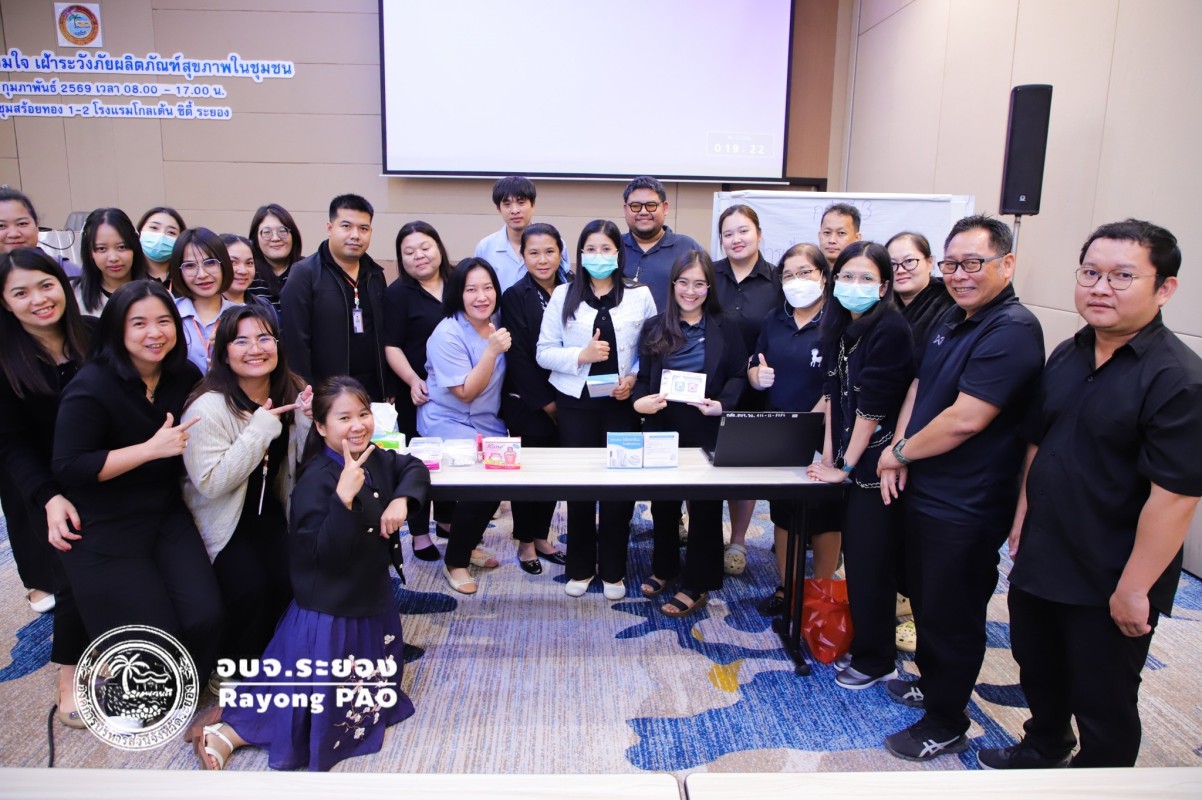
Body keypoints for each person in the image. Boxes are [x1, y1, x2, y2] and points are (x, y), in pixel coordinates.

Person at [979, 220, 1202, 770]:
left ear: (1165, 288)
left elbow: (1175, 497)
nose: (1101, 288)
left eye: (1123, 276)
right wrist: (1023, 514)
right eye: (1091, 273)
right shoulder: (1070, 351)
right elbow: (1040, 439)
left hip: (1112, 568)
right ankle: (1045, 743)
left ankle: (1102, 781)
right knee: (1038, 663)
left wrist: (1135, 588)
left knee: (1103, 695)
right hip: (1046, 549)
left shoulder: (1178, 378)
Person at [188, 376, 428, 771]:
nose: (358, 425)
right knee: (302, 701)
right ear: (320, 426)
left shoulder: (373, 457)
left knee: (357, 696)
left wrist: (401, 499)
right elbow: (323, 557)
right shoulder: (316, 481)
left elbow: (412, 466)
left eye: (363, 414)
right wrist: (343, 499)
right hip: (332, 610)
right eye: (344, 418)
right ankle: (228, 732)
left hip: (370, 596)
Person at [876, 215, 1044, 761]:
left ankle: (947, 721)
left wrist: (900, 453)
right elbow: (921, 387)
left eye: (973, 263)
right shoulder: (954, 315)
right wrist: (900, 448)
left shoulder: (1012, 329)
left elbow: (967, 419)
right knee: (925, 599)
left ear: (1007, 264)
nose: (959, 274)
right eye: (951, 264)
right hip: (927, 486)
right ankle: (934, 686)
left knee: (954, 613)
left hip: (968, 502)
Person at [52, 280, 222, 683]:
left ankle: (186, 681)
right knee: (155, 638)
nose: (154, 333)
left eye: (164, 321)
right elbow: (69, 466)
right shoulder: (92, 386)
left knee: (207, 616)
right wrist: (148, 450)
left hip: (164, 512)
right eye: (139, 323)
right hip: (105, 522)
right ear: (117, 329)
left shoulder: (182, 374)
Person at [805, 241, 914, 689]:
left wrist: (846, 467)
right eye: (847, 276)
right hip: (850, 457)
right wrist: (828, 456)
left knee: (871, 564)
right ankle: (868, 642)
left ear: (884, 286)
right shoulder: (842, 327)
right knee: (858, 558)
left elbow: (872, 407)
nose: (855, 285)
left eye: (867, 278)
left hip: (876, 466)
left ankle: (877, 659)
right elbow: (833, 397)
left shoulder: (890, 328)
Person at [181, 305, 312, 669]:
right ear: (223, 353)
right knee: (248, 587)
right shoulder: (206, 407)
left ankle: (275, 659)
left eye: (264, 338)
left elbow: (304, 464)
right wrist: (259, 430)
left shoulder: (293, 388)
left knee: (291, 578)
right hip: (223, 519)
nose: (255, 349)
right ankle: (234, 667)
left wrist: (307, 421)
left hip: (272, 511)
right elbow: (211, 484)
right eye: (241, 341)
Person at [538, 220, 657, 600]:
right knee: (580, 487)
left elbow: (650, 349)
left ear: (619, 254)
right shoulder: (563, 295)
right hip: (577, 404)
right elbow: (543, 352)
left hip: (622, 405)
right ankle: (579, 567)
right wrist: (582, 355)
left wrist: (633, 379)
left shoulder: (640, 295)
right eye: (591, 249)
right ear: (580, 254)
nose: (599, 256)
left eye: (606, 249)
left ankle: (613, 570)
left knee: (620, 489)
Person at [0, 247, 93, 726]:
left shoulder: (95, 336)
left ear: (62, 284)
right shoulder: (5, 360)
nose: (38, 299)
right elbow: (12, 444)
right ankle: (70, 672)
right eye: (21, 293)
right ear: (5, 302)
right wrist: (49, 497)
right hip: (48, 486)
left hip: (111, 471)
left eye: (45, 285)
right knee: (71, 567)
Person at [633, 250, 748, 617]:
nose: (691, 291)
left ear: (709, 287)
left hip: (706, 425)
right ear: (673, 285)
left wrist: (722, 405)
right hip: (664, 425)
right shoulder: (654, 326)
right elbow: (643, 380)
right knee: (663, 504)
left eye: (699, 283)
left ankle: (698, 581)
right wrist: (640, 402)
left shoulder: (726, 326)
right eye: (683, 282)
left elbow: (738, 374)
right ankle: (664, 567)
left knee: (705, 507)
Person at [746, 243, 841, 615]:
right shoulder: (775, 319)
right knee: (784, 512)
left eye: (805, 272)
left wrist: (814, 418)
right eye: (788, 274)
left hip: (825, 432)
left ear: (823, 276)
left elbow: (842, 380)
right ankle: (787, 587)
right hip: (782, 431)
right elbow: (755, 363)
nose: (796, 280)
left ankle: (822, 592)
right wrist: (756, 376)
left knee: (825, 516)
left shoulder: (839, 320)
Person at [419, 258, 511, 594]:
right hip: (449, 421)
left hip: (487, 422)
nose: (481, 296)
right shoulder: (447, 333)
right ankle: (455, 561)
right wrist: (492, 351)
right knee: (484, 483)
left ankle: (467, 544)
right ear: (458, 293)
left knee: (499, 481)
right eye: (471, 289)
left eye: (488, 288)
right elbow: (465, 392)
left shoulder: (495, 323)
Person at [712, 204, 783, 575]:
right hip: (713, 388)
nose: (736, 239)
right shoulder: (708, 274)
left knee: (745, 468)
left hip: (758, 387)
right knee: (705, 466)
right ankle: (705, 534)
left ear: (759, 233)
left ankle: (738, 541)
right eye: (728, 233)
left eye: (743, 231)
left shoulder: (778, 280)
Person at [500, 222, 569, 574]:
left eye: (549, 251)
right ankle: (525, 542)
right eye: (534, 253)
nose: (543, 260)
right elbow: (519, 357)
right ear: (522, 255)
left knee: (554, 472)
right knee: (528, 475)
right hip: (529, 401)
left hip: (569, 396)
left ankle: (542, 536)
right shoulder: (515, 295)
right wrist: (548, 404)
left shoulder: (574, 287)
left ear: (560, 252)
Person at [384, 221, 455, 561]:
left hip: (457, 390)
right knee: (418, 461)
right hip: (418, 391)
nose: (419, 256)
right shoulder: (398, 293)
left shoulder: (458, 284)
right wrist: (413, 380)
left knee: (452, 455)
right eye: (409, 252)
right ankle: (419, 532)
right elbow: (391, 345)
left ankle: (446, 519)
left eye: (425, 247)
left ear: (438, 247)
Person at [281, 194, 391, 401]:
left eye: (363, 228)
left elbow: (383, 334)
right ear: (330, 228)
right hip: (325, 393)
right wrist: (307, 392)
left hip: (372, 391)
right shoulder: (304, 274)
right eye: (346, 226)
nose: (355, 235)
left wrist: (387, 385)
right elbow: (296, 344)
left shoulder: (374, 274)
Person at [620, 176, 703, 310]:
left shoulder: (688, 248)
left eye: (651, 205)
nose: (643, 212)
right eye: (635, 206)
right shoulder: (612, 248)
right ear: (625, 209)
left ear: (665, 208)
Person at [474, 176, 568, 292]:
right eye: (507, 204)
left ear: (533, 205)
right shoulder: (485, 247)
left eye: (521, 203)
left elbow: (565, 282)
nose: (515, 210)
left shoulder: (555, 243)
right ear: (499, 209)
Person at [170, 227, 238, 373]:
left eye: (210, 263)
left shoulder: (242, 316)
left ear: (224, 264)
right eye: (190, 265)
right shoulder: (169, 313)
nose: (202, 274)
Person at [887, 231, 954, 364]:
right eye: (892, 264)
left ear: (930, 262)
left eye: (909, 261)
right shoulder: (882, 306)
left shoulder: (949, 303)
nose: (900, 270)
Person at [74, 207, 148, 315]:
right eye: (101, 249)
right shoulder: (74, 296)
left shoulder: (155, 294)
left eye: (122, 247)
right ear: (90, 253)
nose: (113, 258)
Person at [0, 188, 79, 276]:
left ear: (36, 225)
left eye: (22, 223)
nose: (14, 234)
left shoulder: (68, 272)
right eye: (1, 226)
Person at [248, 203, 303, 313]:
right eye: (267, 232)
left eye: (282, 231)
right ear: (256, 239)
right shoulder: (248, 273)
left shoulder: (309, 270)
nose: (275, 238)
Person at [220, 233, 279, 324]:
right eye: (233, 262)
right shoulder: (205, 308)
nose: (243, 271)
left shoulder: (265, 307)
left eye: (249, 263)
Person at [137, 206, 187, 290]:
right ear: (140, 231)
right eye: (154, 228)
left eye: (171, 232)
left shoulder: (186, 278)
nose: (161, 235)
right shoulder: (127, 274)